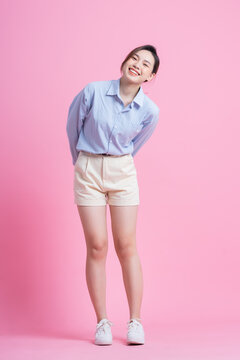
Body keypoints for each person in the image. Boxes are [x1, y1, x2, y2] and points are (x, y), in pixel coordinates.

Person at [66, 44, 160, 346]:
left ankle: (136, 321)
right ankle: (102, 322)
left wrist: (117, 163)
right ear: (125, 61)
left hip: (122, 172)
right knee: (96, 245)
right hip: (88, 168)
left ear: (150, 76)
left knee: (126, 245)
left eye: (145, 64)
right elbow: (72, 126)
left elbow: (137, 143)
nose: (137, 64)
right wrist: (81, 162)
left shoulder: (149, 111)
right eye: (134, 58)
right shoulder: (92, 91)